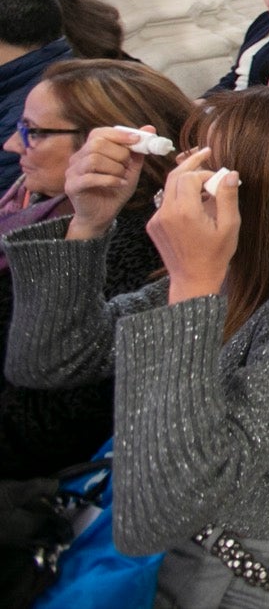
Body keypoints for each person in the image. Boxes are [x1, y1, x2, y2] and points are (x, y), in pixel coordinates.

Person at [4, 87, 269, 603]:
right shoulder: (247, 262)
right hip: (176, 537)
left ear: (267, 189)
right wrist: (88, 221)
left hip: (232, 573)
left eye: (201, 161)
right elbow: (47, 360)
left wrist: (192, 285)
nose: (180, 175)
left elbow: (159, 513)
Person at [0, 60, 193, 478]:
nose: (12, 146)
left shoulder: (135, 248)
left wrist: (87, 228)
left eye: (34, 132)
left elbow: (47, 426)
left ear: (110, 146)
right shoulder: (39, 207)